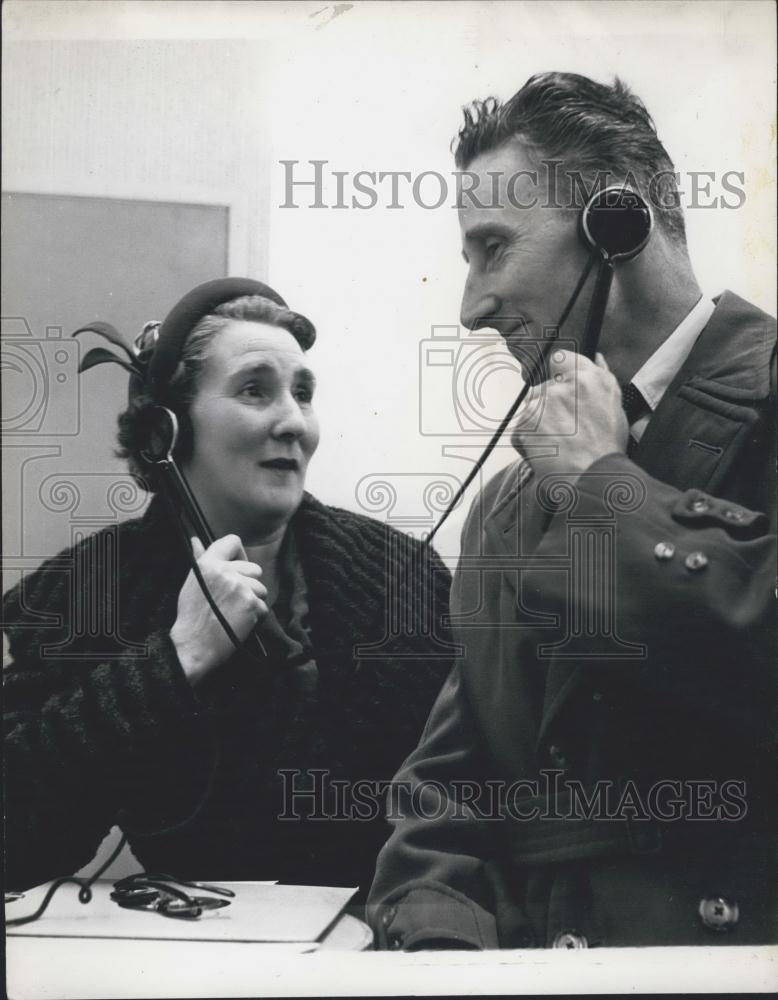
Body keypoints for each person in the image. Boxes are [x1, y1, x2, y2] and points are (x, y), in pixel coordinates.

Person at [367, 73, 776, 948]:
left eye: (492, 248)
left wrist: (601, 487)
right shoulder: (510, 501)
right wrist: (441, 940)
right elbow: (450, 786)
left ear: (614, 226)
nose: (470, 306)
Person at [4, 278, 453, 899]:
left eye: (302, 393)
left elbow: (470, 794)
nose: (294, 422)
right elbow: (15, 839)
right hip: (199, 955)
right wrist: (177, 657)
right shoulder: (85, 590)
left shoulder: (407, 576)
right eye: (254, 390)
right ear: (166, 431)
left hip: (382, 943)